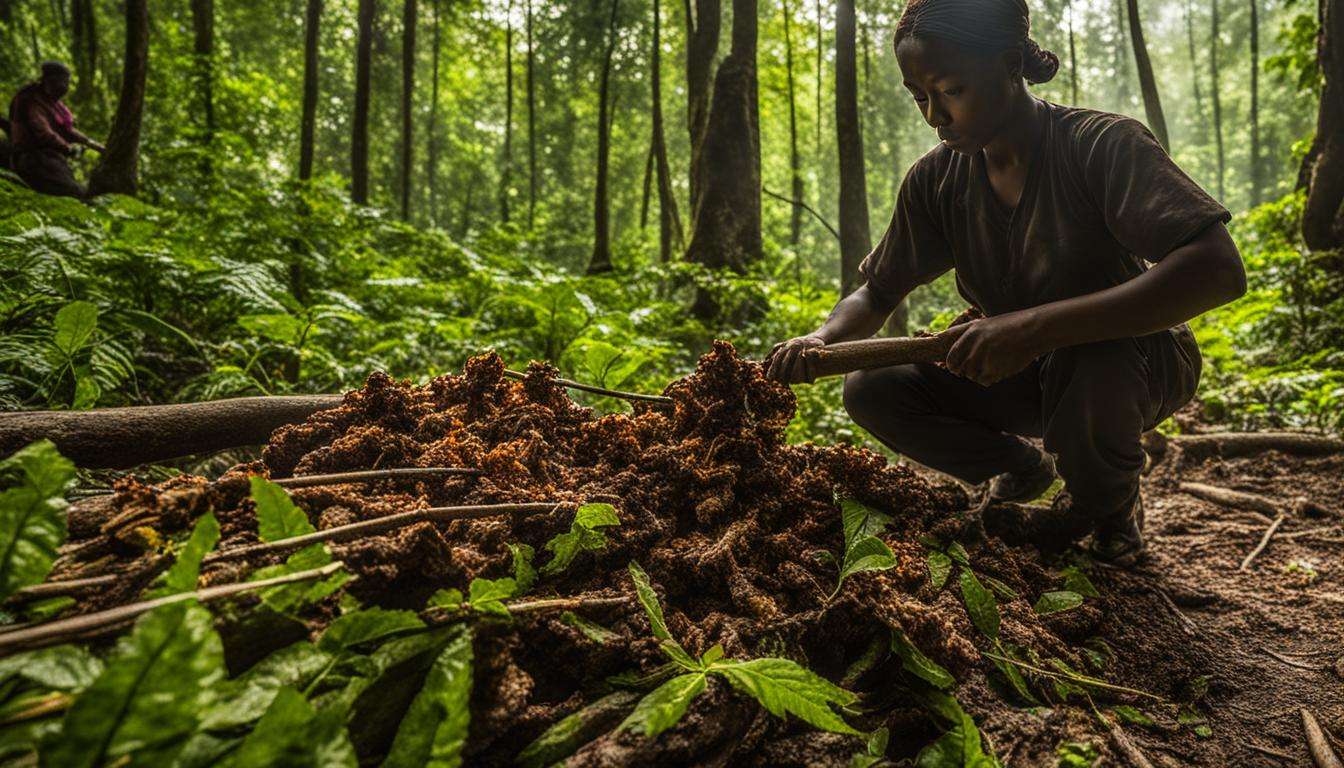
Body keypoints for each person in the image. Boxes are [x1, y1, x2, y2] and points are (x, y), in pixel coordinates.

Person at [765, 0, 1246, 566]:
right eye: (919, 97)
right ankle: (1020, 467)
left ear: (1010, 63)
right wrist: (821, 340)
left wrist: (1035, 329)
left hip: (1135, 364)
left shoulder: (1100, 145)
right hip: (1020, 371)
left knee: (1089, 361)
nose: (933, 116)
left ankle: (1103, 510)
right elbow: (878, 291)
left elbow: (1218, 269)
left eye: (949, 90)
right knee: (874, 387)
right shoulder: (936, 181)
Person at [6, 61, 105, 198]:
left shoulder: (51, 101)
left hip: (49, 158)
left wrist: (92, 144)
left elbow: (66, 129)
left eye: (67, 83)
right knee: (76, 196)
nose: (65, 87)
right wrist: (68, 148)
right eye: (62, 82)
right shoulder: (30, 99)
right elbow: (43, 132)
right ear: (49, 81)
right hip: (33, 159)